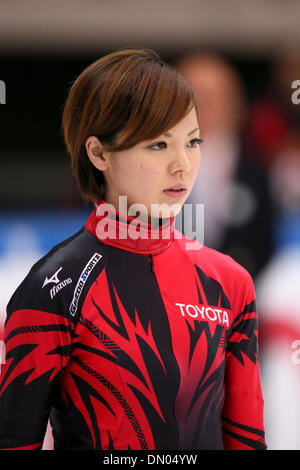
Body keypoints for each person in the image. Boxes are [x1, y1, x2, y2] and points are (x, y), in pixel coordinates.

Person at [0, 48, 266, 450]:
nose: (182, 164)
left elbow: (247, 440)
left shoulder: (230, 283)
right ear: (99, 153)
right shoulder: (53, 288)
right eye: (158, 145)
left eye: (193, 142)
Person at [174, 52, 273, 279]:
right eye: (190, 97)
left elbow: (265, 246)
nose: (199, 109)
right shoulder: (146, 172)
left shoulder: (258, 171)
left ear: (234, 105)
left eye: (209, 98)